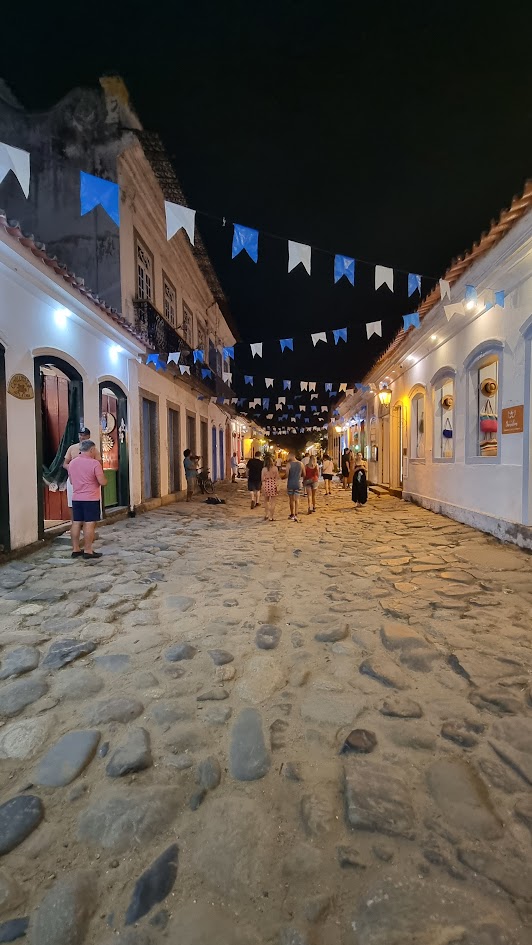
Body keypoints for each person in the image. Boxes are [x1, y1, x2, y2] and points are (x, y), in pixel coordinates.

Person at [67, 440, 107, 560]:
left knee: (76, 522)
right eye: (94, 450)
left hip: (76, 498)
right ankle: (88, 550)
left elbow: (72, 481)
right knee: (89, 524)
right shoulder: (94, 464)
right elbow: (102, 482)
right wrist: (105, 481)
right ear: (91, 450)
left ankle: (75, 549)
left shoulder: (72, 463)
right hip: (91, 498)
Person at [63, 428, 101, 511]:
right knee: (72, 503)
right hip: (73, 479)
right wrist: (72, 469)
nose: (82, 437)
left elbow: (99, 464)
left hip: (88, 480)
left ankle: (85, 522)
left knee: (88, 503)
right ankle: (74, 522)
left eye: (85, 435)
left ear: (89, 436)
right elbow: (65, 463)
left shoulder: (94, 450)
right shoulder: (72, 448)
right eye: (81, 435)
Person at [286, 452, 304, 522]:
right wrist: (299, 476)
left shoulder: (289, 464)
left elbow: (287, 474)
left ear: (291, 456)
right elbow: (304, 473)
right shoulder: (301, 464)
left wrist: (282, 477)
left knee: (291, 499)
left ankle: (292, 514)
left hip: (290, 483)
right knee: (297, 499)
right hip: (298, 483)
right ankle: (296, 513)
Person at [261, 453, 279, 521]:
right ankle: (271, 516)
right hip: (273, 484)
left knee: (266, 501)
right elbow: (277, 478)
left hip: (266, 485)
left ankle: (266, 514)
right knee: (273, 502)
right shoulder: (275, 468)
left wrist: (262, 486)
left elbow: (262, 479)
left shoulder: (264, 469)